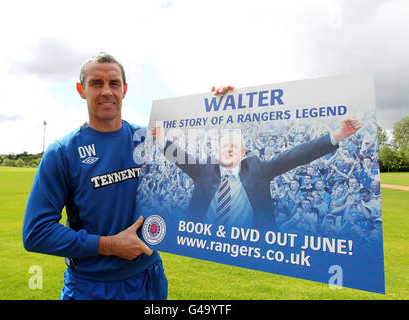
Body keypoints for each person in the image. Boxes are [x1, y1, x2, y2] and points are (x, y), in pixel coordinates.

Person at [22, 51, 232, 300]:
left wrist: (222, 110)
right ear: (81, 90)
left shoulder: (148, 140)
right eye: (96, 83)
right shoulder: (62, 152)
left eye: (114, 83)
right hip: (92, 287)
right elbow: (36, 232)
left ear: (125, 89)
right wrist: (109, 245)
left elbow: (202, 171)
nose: (106, 91)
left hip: (148, 279)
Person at [153, 118, 362, 228]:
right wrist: (161, 138)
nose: (229, 148)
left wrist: (337, 135)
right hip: (204, 242)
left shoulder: (258, 169)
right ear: (217, 151)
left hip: (246, 246)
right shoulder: (203, 171)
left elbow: (296, 155)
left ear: (243, 153)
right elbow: (178, 156)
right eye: (225, 145)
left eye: (235, 146)